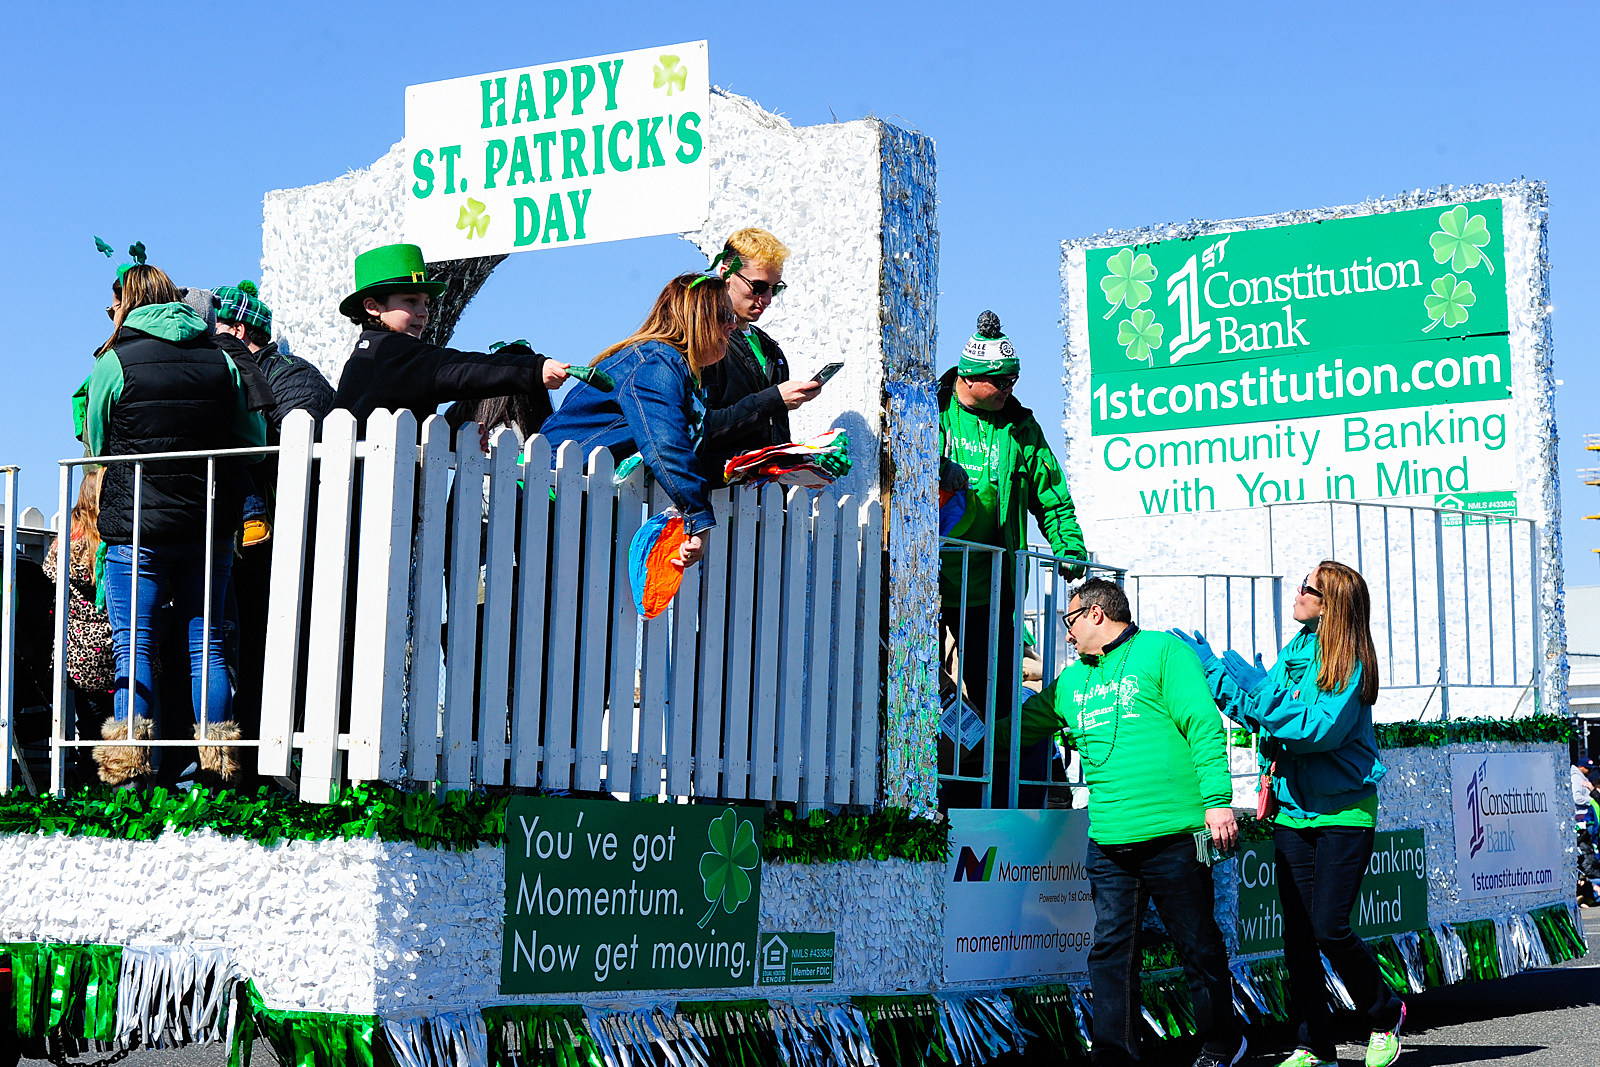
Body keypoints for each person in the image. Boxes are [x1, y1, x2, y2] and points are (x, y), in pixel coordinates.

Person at [1175, 561, 1404, 1067]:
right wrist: (1218, 672)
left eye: (1307, 589)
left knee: (1329, 928)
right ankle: (1313, 1045)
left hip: (1344, 813)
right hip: (1292, 813)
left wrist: (1252, 695)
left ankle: (1385, 1013)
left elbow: (1311, 731)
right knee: (1298, 936)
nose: (1297, 594)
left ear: (1331, 605)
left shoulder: (1351, 664)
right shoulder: (1295, 650)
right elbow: (1258, 704)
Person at [1020, 578, 1243, 1067]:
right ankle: (1114, 1055)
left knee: (1197, 946)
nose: (1068, 635)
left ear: (1097, 614)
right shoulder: (1072, 681)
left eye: (1070, 621)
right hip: (1108, 841)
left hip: (1173, 835)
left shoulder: (1163, 651)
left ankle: (1222, 1042)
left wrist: (1217, 800)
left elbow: (1202, 724)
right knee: (1111, 952)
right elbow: (1020, 726)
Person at [80, 264, 267, 788]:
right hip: (208, 524)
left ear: (129, 302)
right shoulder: (221, 358)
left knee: (132, 644)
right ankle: (219, 762)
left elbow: (98, 444)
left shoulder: (113, 361)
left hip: (135, 527)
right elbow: (250, 435)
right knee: (206, 643)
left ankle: (126, 766)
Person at [939, 310, 1086, 808]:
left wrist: (1069, 546)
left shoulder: (1022, 427)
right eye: (1000, 381)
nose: (1009, 388)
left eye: (1014, 379)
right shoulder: (933, 410)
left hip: (992, 588)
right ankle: (936, 788)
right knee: (917, 688)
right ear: (968, 378)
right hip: (925, 583)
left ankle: (1000, 798)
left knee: (997, 700)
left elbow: (1053, 497)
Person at [540, 273, 737, 568]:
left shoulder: (683, 373)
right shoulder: (655, 362)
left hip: (579, 504)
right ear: (696, 316)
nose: (733, 325)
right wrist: (698, 518)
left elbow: (688, 450)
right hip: (546, 498)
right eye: (724, 315)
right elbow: (666, 445)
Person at [331, 243, 569, 426]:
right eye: (410, 301)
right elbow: (462, 370)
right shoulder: (393, 352)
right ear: (373, 306)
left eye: (425, 303)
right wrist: (534, 370)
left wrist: (452, 439)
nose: (423, 313)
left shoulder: (369, 354)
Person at [697, 228, 819, 482]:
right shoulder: (704, 340)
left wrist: (800, 465)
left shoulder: (771, 350)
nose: (767, 299)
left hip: (765, 501)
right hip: (721, 495)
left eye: (774, 289)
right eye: (758, 286)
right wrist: (772, 400)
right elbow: (700, 428)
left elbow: (769, 434)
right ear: (726, 274)